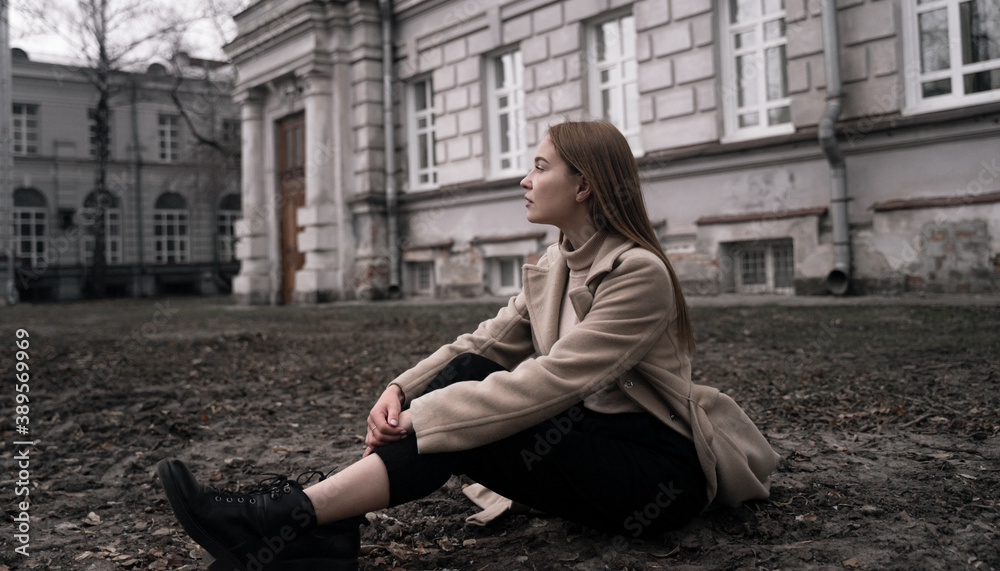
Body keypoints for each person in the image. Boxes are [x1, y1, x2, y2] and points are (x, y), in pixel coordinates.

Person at [157, 120, 780, 571]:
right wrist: (401, 388)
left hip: (652, 475)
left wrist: (424, 417)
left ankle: (288, 519)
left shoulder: (638, 271)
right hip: (587, 450)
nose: (524, 178)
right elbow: (481, 343)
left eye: (540, 166)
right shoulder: (554, 263)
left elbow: (558, 379)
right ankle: (312, 525)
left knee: (468, 405)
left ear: (585, 185)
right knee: (469, 369)